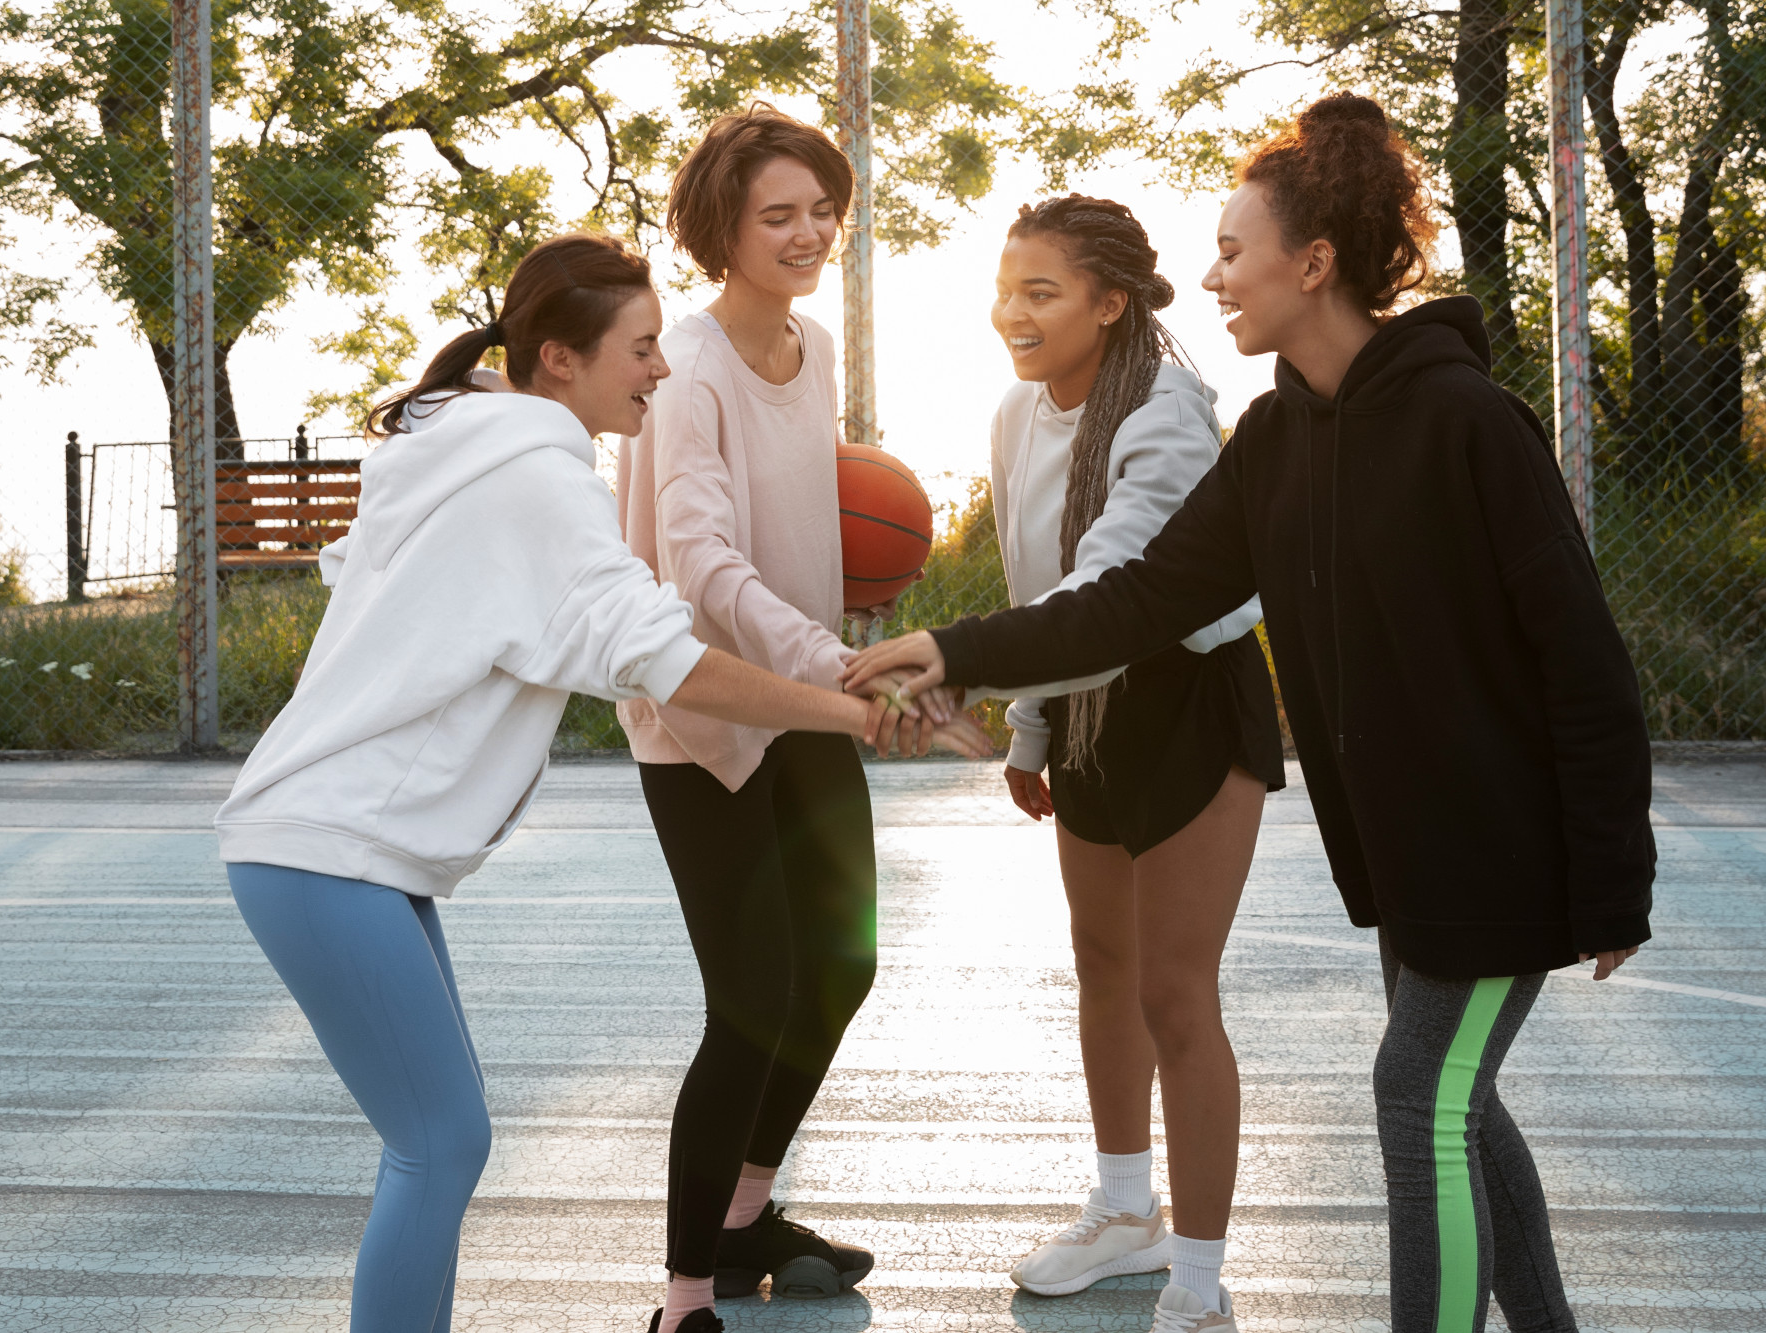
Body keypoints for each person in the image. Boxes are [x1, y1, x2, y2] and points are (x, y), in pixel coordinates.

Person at [847, 93, 1654, 1333]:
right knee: (1456, 1108)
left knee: (1413, 1102)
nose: (1211, 277)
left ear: (1311, 263)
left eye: (1233, 251)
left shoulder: (1465, 422)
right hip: (1409, 854)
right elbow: (1136, 599)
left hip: (1508, 850)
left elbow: (1583, 663)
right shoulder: (1277, 438)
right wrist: (952, 649)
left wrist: (1609, 874)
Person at [214, 231, 983, 1333]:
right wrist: (859, 713)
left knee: (441, 1142)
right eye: (639, 348)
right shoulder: (533, 481)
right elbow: (673, 662)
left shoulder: (462, 441)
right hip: (324, 849)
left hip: (346, 850)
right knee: (440, 1143)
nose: (660, 369)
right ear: (559, 360)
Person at [614, 105, 928, 1333]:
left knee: (837, 963)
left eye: (820, 212)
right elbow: (700, 569)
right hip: (703, 712)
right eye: (778, 215)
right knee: (751, 990)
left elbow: (808, 532)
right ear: (722, 230)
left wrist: (843, 639)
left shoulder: (809, 349)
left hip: (803, 694)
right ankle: (687, 1294)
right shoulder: (687, 368)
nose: (808, 234)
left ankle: (746, 1213)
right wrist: (839, 670)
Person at [970, 194, 1285, 1324]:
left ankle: (1196, 1278)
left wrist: (975, 678)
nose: (1012, 310)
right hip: (1085, 703)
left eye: (1040, 291)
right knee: (1101, 961)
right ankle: (1123, 1215)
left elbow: (1109, 589)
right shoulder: (1015, 414)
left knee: (1172, 989)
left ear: (1108, 304)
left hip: (1185, 698)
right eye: (1007, 286)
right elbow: (1029, 582)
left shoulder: (1164, 408)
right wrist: (1032, 728)